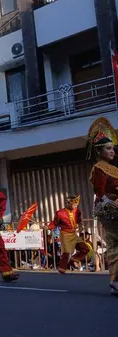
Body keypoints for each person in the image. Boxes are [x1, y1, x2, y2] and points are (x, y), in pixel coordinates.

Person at [87, 117, 118, 296]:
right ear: (100, 151)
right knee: (114, 244)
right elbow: (101, 193)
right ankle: (114, 281)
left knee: (115, 245)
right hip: (110, 210)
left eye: (113, 147)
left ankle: (114, 281)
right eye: (108, 148)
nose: (112, 151)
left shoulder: (113, 167)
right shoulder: (99, 168)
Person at [48, 195, 90, 274]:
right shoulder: (60, 213)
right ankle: (62, 269)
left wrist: (81, 226)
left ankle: (73, 259)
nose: (75, 206)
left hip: (73, 234)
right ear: (68, 203)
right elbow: (54, 223)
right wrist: (47, 227)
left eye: (76, 205)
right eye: (73, 204)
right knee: (66, 252)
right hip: (65, 234)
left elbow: (79, 220)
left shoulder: (77, 211)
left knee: (85, 249)